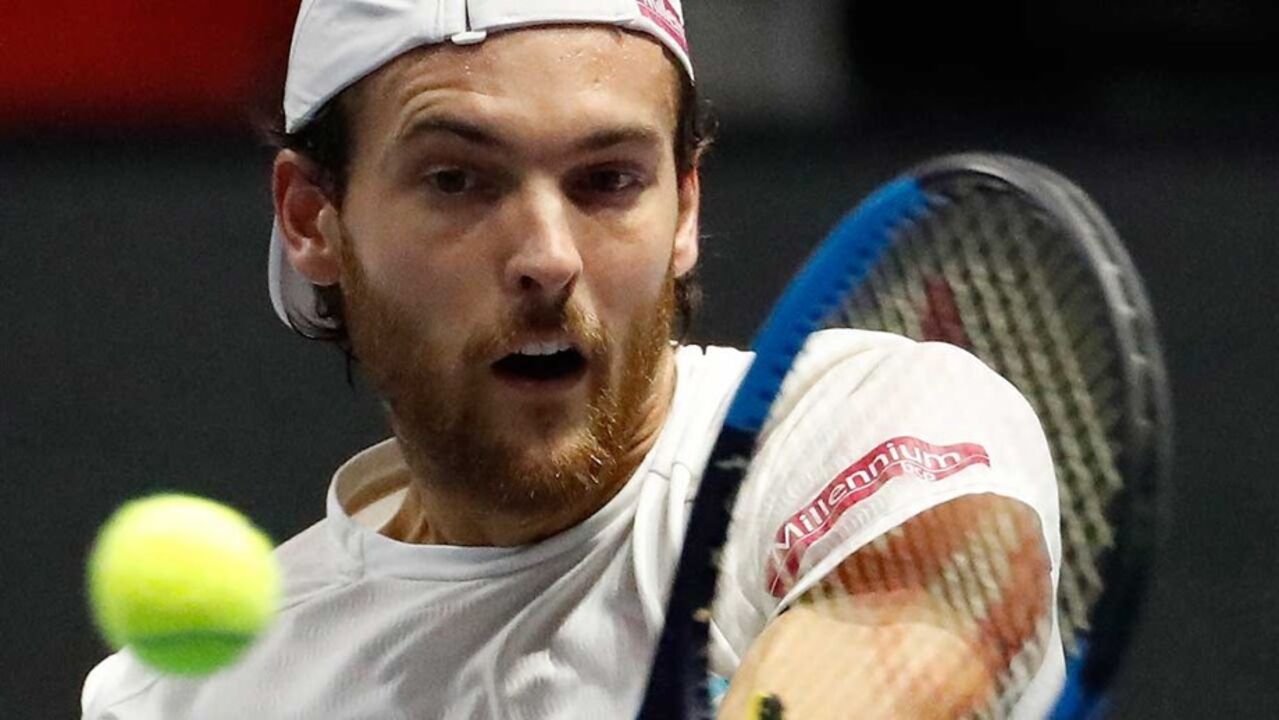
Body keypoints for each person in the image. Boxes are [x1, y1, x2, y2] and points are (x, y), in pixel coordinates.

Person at [82, 1, 1064, 718]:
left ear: (683, 208)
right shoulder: (179, 698)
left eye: (607, 180)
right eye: (457, 180)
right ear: (312, 217)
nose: (547, 258)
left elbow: (916, 634)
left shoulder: (860, 425)